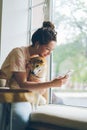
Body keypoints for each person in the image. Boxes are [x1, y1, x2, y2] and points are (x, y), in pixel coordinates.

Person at [0, 21, 69, 130]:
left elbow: (37, 86)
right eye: (47, 49)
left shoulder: (38, 60)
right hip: (8, 91)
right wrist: (52, 83)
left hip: (23, 92)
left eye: (52, 50)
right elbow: (23, 84)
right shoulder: (19, 53)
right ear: (37, 44)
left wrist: (53, 82)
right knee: (21, 117)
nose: (49, 53)